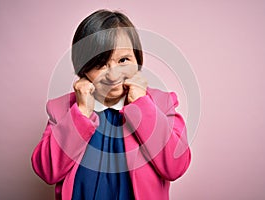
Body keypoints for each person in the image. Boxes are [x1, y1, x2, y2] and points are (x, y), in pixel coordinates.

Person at [31, 9, 191, 200]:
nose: (113, 75)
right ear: (83, 67)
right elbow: (47, 171)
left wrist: (142, 105)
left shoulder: (162, 103)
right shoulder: (61, 109)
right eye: (100, 63)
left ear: (137, 59)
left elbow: (176, 166)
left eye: (124, 60)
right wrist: (81, 112)